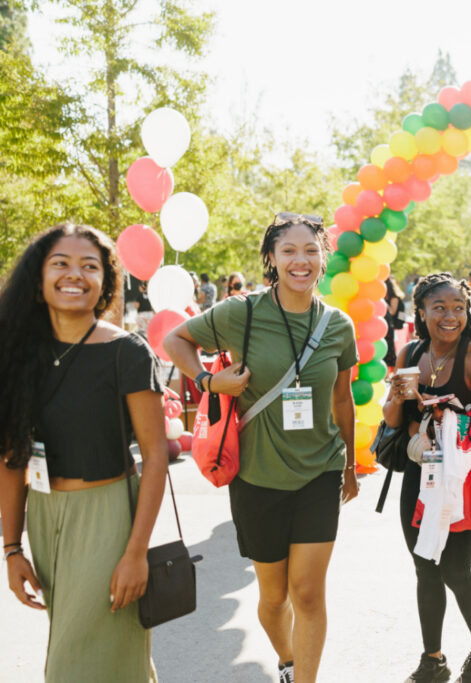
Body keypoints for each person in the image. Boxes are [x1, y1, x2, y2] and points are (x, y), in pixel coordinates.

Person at [163, 212, 359, 683]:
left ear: (323, 259)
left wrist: (350, 464)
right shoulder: (242, 313)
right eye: (288, 250)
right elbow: (176, 339)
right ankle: (290, 661)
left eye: (311, 250)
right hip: (256, 476)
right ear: (271, 258)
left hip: (319, 471)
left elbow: (342, 397)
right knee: (275, 598)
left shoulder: (337, 325)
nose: (300, 260)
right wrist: (209, 380)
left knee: (308, 593)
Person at [0, 223, 167, 682]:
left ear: (105, 281)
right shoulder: (16, 353)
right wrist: (12, 549)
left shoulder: (126, 352)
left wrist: (136, 553)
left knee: (74, 664)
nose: (74, 274)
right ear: (38, 279)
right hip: (45, 517)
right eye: (61, 263)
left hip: (109, 517)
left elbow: (156, 457)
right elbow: (12, 457)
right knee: (102, 652)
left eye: (89, 266)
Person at [382, 273, 471, 683]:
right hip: (418, 478)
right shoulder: (410, 353)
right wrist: (397, 400)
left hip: (460, 480)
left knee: (455, 570)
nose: (450, 316)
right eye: (440, 308)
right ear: (421, 312)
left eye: (458, 307)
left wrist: (449, 428)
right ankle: (432, 660)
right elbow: (393, 419)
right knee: (424, 569)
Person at [384, 275, 406, 372]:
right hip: (383, 325)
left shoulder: (394, 297)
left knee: (389, 349)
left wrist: (383, 305)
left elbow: (393, 311)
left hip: (389, 326)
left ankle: (389, 373)